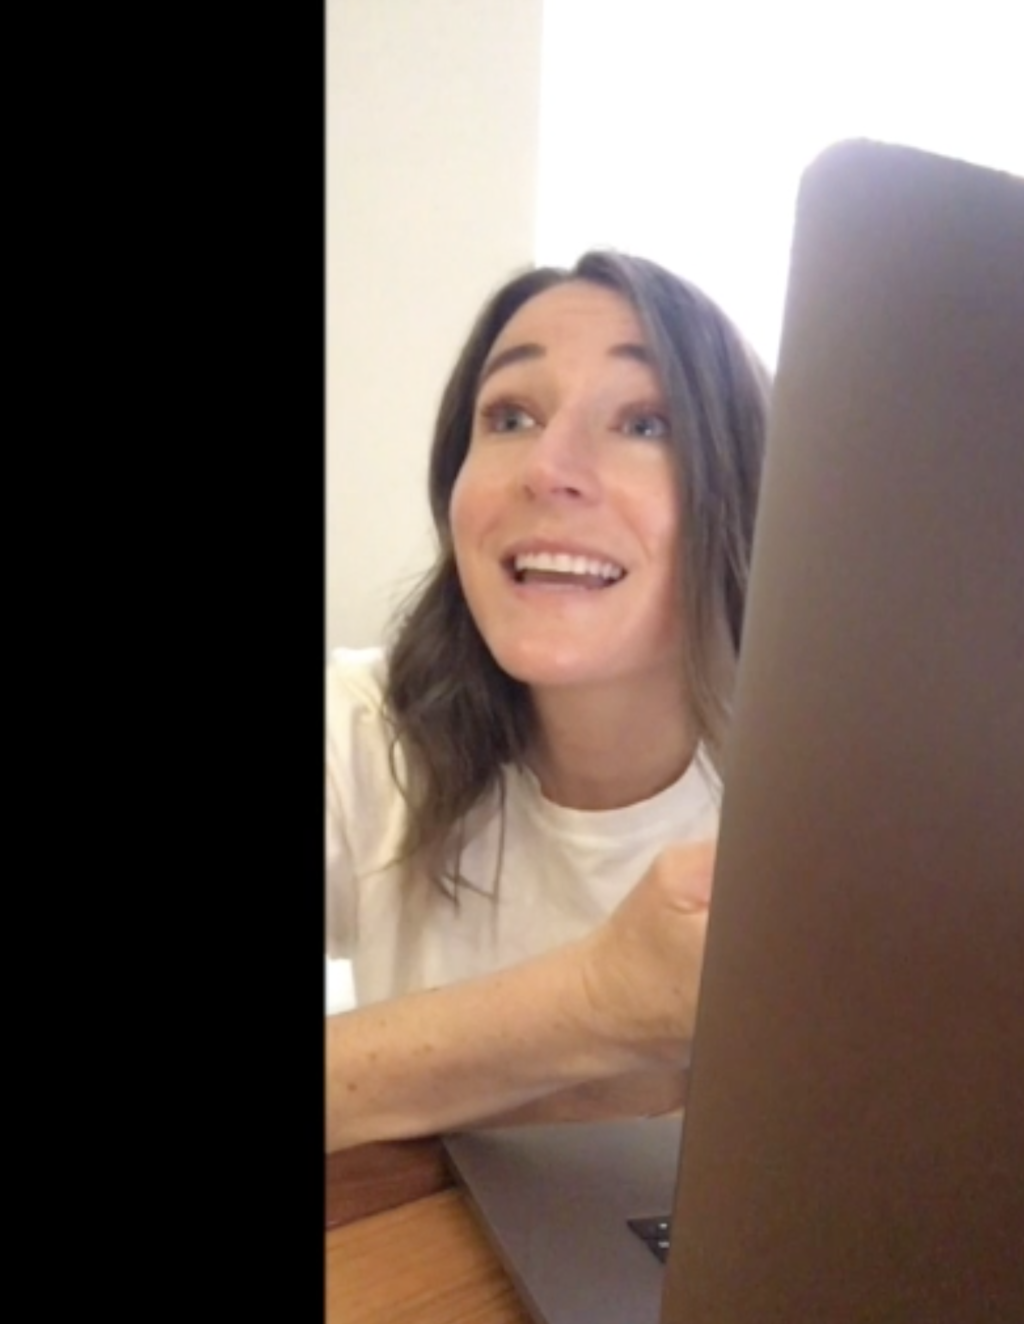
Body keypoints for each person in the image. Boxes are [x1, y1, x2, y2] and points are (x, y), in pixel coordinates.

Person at [325, 251, 771, 1154]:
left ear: (741, 493)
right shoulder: (361, 732)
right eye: (510, 417)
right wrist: (595, 1003)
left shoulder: (844, 797)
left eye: (645, 422)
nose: (547, 467)